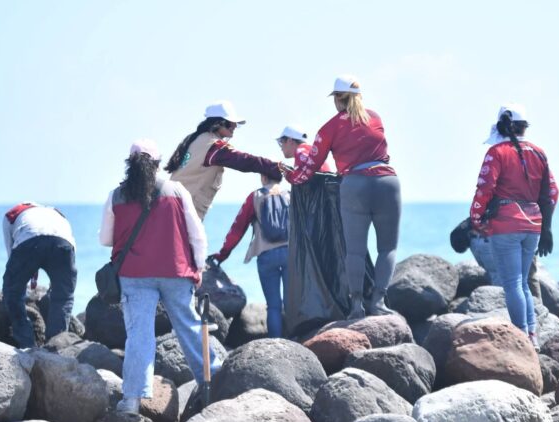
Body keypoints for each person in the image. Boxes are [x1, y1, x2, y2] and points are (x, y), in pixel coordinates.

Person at [100, 138, 222, 414]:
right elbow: (196, 233)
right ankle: (212, 382)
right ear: (157, 164)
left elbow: (106, 239)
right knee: (189, 327)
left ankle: (131, 401)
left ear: (129, 164)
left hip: (134, 273)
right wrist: (199, 266)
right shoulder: (176, 190)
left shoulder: (116, 195)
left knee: (139, 334)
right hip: (175, 270)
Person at [282, 75, 399, 319]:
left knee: (354, 251)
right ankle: (378, 302)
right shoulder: (375, 117)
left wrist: (291, 177)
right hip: (387, 183)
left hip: (354, 184)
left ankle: (357, 307)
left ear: (336, 99)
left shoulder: (329, 128)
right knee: (387, 248)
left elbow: (309, 169)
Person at [469, 103, 559, 350]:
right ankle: (532, 334)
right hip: (534, 225)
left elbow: (485, 188)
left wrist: (476, 218)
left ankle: (522, 337)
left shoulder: (497, 152)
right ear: (524, 128)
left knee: (512, 283)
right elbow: (552, 192)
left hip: (506, 224)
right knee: (522, 284)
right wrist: (547, 228)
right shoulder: (539, 152)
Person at [165, 100, 283, 220]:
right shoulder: (213, 146)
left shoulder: (195, 139)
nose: (234, 126)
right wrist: (275, 167)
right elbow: (243, 161)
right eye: (230, 123)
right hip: (182, 212)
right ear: (219, 123)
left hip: (171, 206)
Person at [210, 173, 291, 338]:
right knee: (292, 303)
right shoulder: (290, 195)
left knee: (273, 305)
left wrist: (222, 255)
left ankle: (277, 343)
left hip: (266, 255)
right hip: (291, 254)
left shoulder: (255, 196)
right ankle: (295, 340)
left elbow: (238, 229)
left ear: (263, 177)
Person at [2, 202, 76, 347]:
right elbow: (70, 253)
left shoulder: (12, 214)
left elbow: (12, 255)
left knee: (13, 294)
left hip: (28, 240)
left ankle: (26, 345)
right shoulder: (58, 214)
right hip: (62, 243)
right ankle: (56, 347)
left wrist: (26, 273)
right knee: (63, 298)